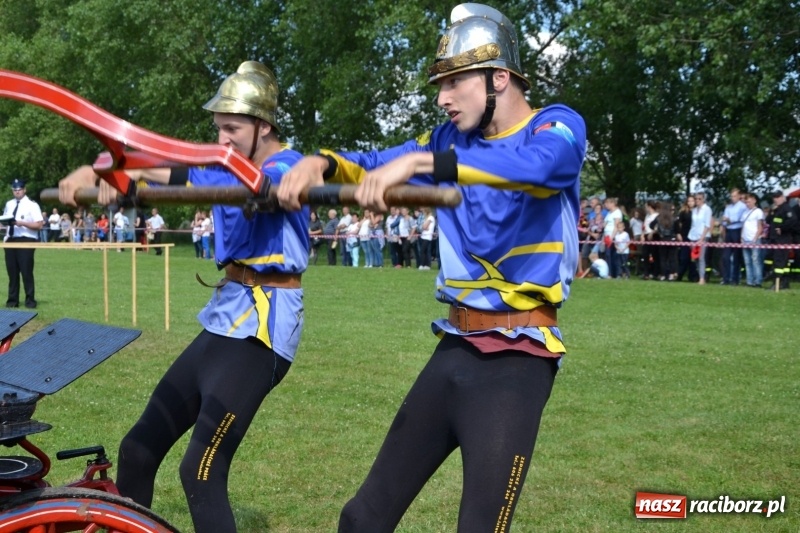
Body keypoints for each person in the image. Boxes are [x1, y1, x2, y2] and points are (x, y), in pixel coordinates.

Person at [276, 4, 586, 531]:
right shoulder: (449, 142)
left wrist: (421, 163)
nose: (442, 98)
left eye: (454, 82)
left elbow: (537, 170)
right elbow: (374, 163)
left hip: (518, 360)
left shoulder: (556, 126)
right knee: (361, 519)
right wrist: (321, 162)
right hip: (455, 347)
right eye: (439, 84)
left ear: (500, 78)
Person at [59, 60, 307, 533]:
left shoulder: (286, 165)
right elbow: (186, 171)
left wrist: (128, 181)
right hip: (225, 318)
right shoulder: (223, 164)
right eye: (217, 129)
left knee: (200, 472)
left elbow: (216, 180)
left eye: (232, 129)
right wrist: (105, 170)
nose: (222, 140)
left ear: (265, 126)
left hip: (264, 329)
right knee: (138, 448)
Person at [2, 179, 44, 309]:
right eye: (14, 190)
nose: (17, 192)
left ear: (24, 190)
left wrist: (22, 223)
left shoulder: (32, 205)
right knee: (12, 272)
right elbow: (5, 222)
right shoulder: (9, 204)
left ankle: (30, 300)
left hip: (26, 239)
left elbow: (39, 224)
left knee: (26, 271)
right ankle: (12, 301)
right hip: (11, 239)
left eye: (19, 189)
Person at [766, 190, 797, 290]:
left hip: (783, 240)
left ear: (782, 197)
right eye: (774, 197)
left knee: (779, 262)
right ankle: (784, 283)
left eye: (778, 197)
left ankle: (777, 284)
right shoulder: (777, 209)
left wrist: (782, 228)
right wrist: (771, 211)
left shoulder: (786, 208)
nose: (776, 199)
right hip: (775, 239)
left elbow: (793, 220)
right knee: (782, 262)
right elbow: (768, 221)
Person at [719, 187, 746, 285]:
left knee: (736, 257)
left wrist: (729, 220)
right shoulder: (728, 207)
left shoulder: (743, 206)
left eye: (735, 196)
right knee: (726, 257)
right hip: (729, 231)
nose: (733, 198)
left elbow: (740, 219)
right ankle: (726, 278)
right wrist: (724, 225)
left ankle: (735, 279)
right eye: (731, 196)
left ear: (739, 196)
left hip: (737, 230)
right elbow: (724, 220)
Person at [740, 193, 765, 287]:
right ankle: (749, 281)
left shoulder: (758, 211)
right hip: (745, 239)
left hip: (754, 239)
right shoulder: (744, 212)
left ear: (754, 200)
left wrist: (755, 238)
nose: (747, 204)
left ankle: (758, 281)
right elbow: (743, 226)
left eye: (749, 201)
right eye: (746, 202)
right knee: (747, 262)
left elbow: (760, 227)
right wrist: (741, 237)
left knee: (756, 261)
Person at [689, 192, 713, 284]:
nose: (697, 201)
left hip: (703, 236)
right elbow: (693, 224)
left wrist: (702, 238)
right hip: (693, 236)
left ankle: (702, 278)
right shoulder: (694, 210)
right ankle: (699, 275)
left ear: (703, 199)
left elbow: (707, 225)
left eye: (699, 199)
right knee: (695, 257)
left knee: (701, 257)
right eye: (696, 199)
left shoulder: (707, 209)